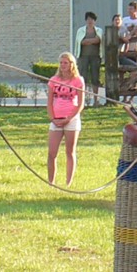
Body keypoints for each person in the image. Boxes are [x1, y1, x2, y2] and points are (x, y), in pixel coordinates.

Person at [47, 52, 85, 186]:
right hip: (56, 120)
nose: (63, 65)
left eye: (66, 63)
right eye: (61, 63)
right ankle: (50, 182)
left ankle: (68, 183)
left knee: (70, 151)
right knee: (52, 153)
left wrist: (69, 118)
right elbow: (49, 102)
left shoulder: (78, 80)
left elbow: (80, 104)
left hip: (71, 120)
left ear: (71, 64)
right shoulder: (53, 80)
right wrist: (53, 119)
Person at [74, 11, 103, 107]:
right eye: (88, 19)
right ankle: (82, 101)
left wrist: (89, 41)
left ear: (95, 21)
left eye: (92, 19)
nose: (90, 21)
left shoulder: (99, 30)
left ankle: (96, 100)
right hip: (83, 57)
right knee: (83, 78)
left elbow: (98, 40)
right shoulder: (80, 30)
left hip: (95, 57)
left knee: (95, 78)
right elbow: (81, 42)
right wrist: (92, 41)